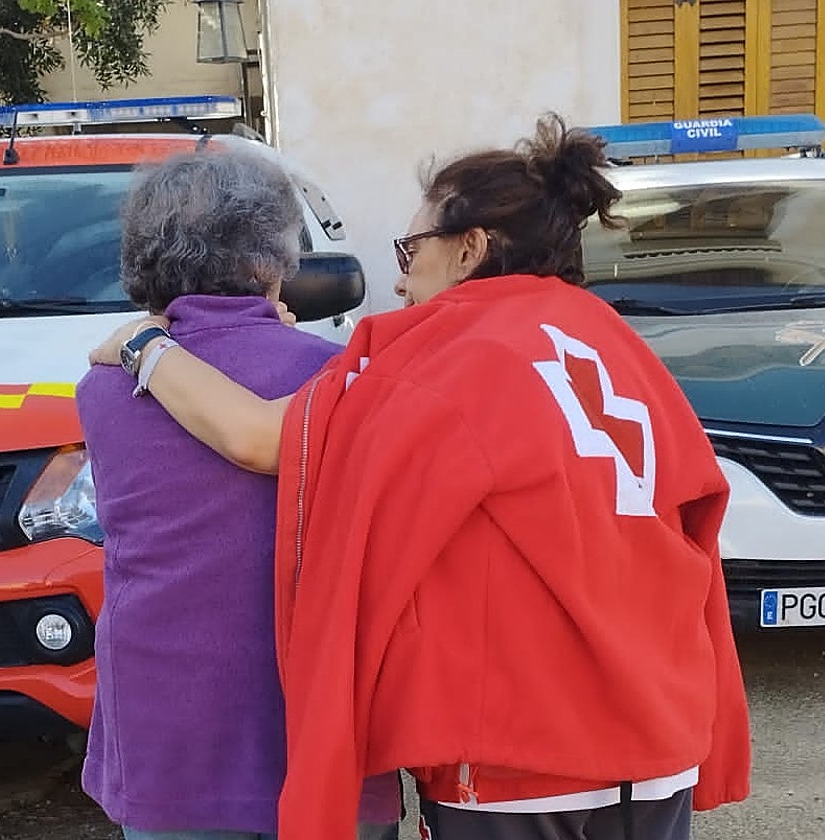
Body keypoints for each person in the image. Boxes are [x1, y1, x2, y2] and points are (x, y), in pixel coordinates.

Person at [88, 114, 752, 840]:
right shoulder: (614, 342)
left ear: (469, 249)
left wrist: (149, 346)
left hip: (519, 750)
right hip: (657, 738)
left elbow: (261, 438)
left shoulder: (444, 355)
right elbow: (698, 516)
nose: (401, 277)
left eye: (411, 250)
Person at [74, 148, 401, 840]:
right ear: (272, 258)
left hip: (169, 730)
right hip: (311, 715)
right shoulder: (336, 372)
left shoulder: (104, 385)